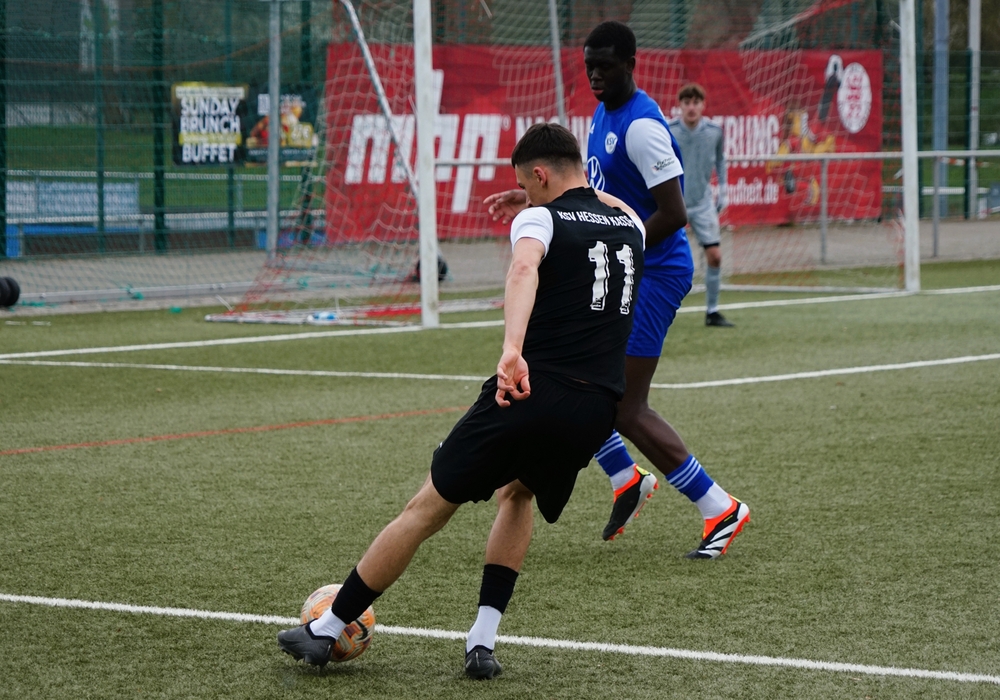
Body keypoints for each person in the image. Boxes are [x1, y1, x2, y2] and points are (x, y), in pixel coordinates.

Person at [277, 122, 646, 679]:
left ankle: (327, 628)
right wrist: (541, 194)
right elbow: (603, 203)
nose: (526, 195)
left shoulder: (539, 219)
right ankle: (482, 642)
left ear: (539, 175)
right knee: (517, 493)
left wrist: (512, 348)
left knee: (425, 509)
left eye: (527, 184)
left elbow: (524, 268)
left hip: (530, 391)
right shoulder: (631, 224)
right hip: (596, 410)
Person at [485, 21, 749, 558]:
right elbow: (593, 191)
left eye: (605, 67)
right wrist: (532, 198)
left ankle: (719, 506)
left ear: (631, 64)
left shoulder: (643, 127)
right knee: (571, 374)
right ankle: (626, 476)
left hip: (656, 271)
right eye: (589, 67)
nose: (595, 76)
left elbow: (673, 213)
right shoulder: (603, 113)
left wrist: (622, 247)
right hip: (623, 263)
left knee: (625, 405)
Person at [668, 83, 733, 327]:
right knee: (664, 260)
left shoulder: (714, 131)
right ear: (680, 106)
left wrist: (723, 190)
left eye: (696, 102)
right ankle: (656, 310)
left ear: (703, 105)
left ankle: (712, 311)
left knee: (715, 256)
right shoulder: (669, 131)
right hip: (673, 204)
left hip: (702, 202)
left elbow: (720, 160)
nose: (691, 108)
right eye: (687, 103)